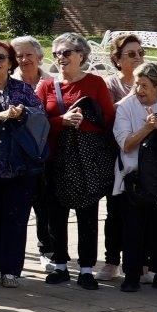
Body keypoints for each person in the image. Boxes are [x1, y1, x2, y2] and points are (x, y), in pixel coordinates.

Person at [37, 32, 116, 290]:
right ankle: (60, 264)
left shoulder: (95, 83)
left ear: (81, 55)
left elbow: (108, 119)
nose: (61, 57)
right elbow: (38, 124)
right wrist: (62, 121)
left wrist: (85, 122)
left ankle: (86, 269)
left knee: (87, 213)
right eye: (57, 53)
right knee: (56, 213)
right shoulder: (47, 86)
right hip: (56, 158)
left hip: (87, 159)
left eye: (66, 52)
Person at [0, 41, 45, 288]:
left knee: (15, 219)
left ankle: (11, 269)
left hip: (19, 166)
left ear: (10, 63)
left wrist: (23, 113)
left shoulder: (22, 89)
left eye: (1, 58)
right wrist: (1, 116)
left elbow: (40, 119)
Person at [111, 63, 157, 293]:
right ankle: (131, 275)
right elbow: (126, 144)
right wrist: (148, 128)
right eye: (137, 84)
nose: (139, 90)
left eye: (145, 85)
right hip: (134, 177)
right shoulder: (125, 107)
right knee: (133, 228)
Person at [98, 34, 145, 281]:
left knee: (142, 209)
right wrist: (134, 93)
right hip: (117, 155)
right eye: (131, 54)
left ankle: (141, 261)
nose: (138, 58)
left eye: (140, 53)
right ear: (117, 60)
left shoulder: (151, 81)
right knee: (115, 209)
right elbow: (108, 114)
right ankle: (111, 261)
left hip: (145, 157)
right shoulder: (110, 85)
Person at [12, 34, 53, 273]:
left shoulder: (52, 82)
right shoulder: (8, 82)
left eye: (29, 54)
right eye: (19, 55)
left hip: (42, 153)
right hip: (15, 153)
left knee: (43, 204)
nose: (24, 59)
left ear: (39, 57)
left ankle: (46, 249)